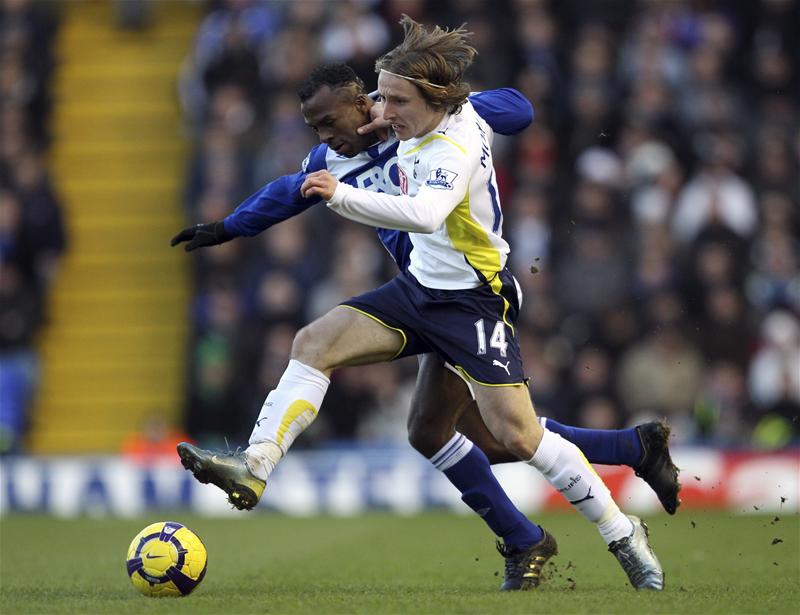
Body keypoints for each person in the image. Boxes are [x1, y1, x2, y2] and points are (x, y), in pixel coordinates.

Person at [173, 45, 669, 590]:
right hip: (418, 292)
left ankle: (621, 519)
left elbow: (511, 121)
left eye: (328, 122)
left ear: (365, 103)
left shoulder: (446, 134)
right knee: (331, 355)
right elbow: (287, 193)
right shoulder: (340, 155)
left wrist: (453, 102)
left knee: (512, 435)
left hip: (474, 299)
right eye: (313, 128)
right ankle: (256, 463)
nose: (323, 137)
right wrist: (226, 228)